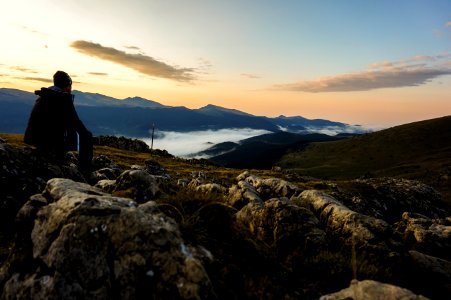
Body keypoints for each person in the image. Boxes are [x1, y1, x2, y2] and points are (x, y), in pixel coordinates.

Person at [24, 71, 93, 172]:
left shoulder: (44, 95)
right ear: (68, 85)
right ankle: (85, 171)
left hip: (34, 140)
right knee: (87, 135)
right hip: (52, 145)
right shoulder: (63, 99)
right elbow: (77, 123)